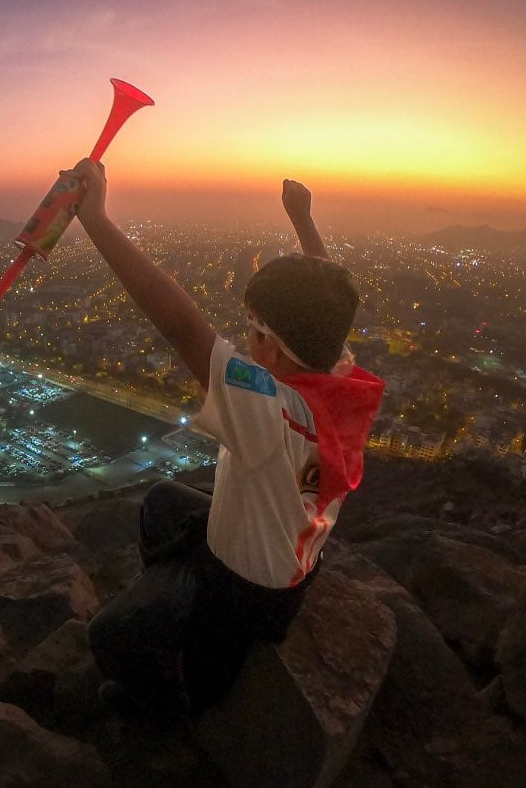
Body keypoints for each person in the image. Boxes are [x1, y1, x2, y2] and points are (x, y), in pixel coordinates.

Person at [66, 160, 385, 716]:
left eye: (255, 330)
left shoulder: (268, 408)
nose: (246, 339)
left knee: (110, 634)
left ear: (275, 349)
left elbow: (183, 326)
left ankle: (170, 702)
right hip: (292, 558)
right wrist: (304, 222)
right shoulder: (340, 382)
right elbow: (327, 305)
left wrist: (95, 218)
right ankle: (170, 599)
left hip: (244, 593)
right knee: (164, 501)